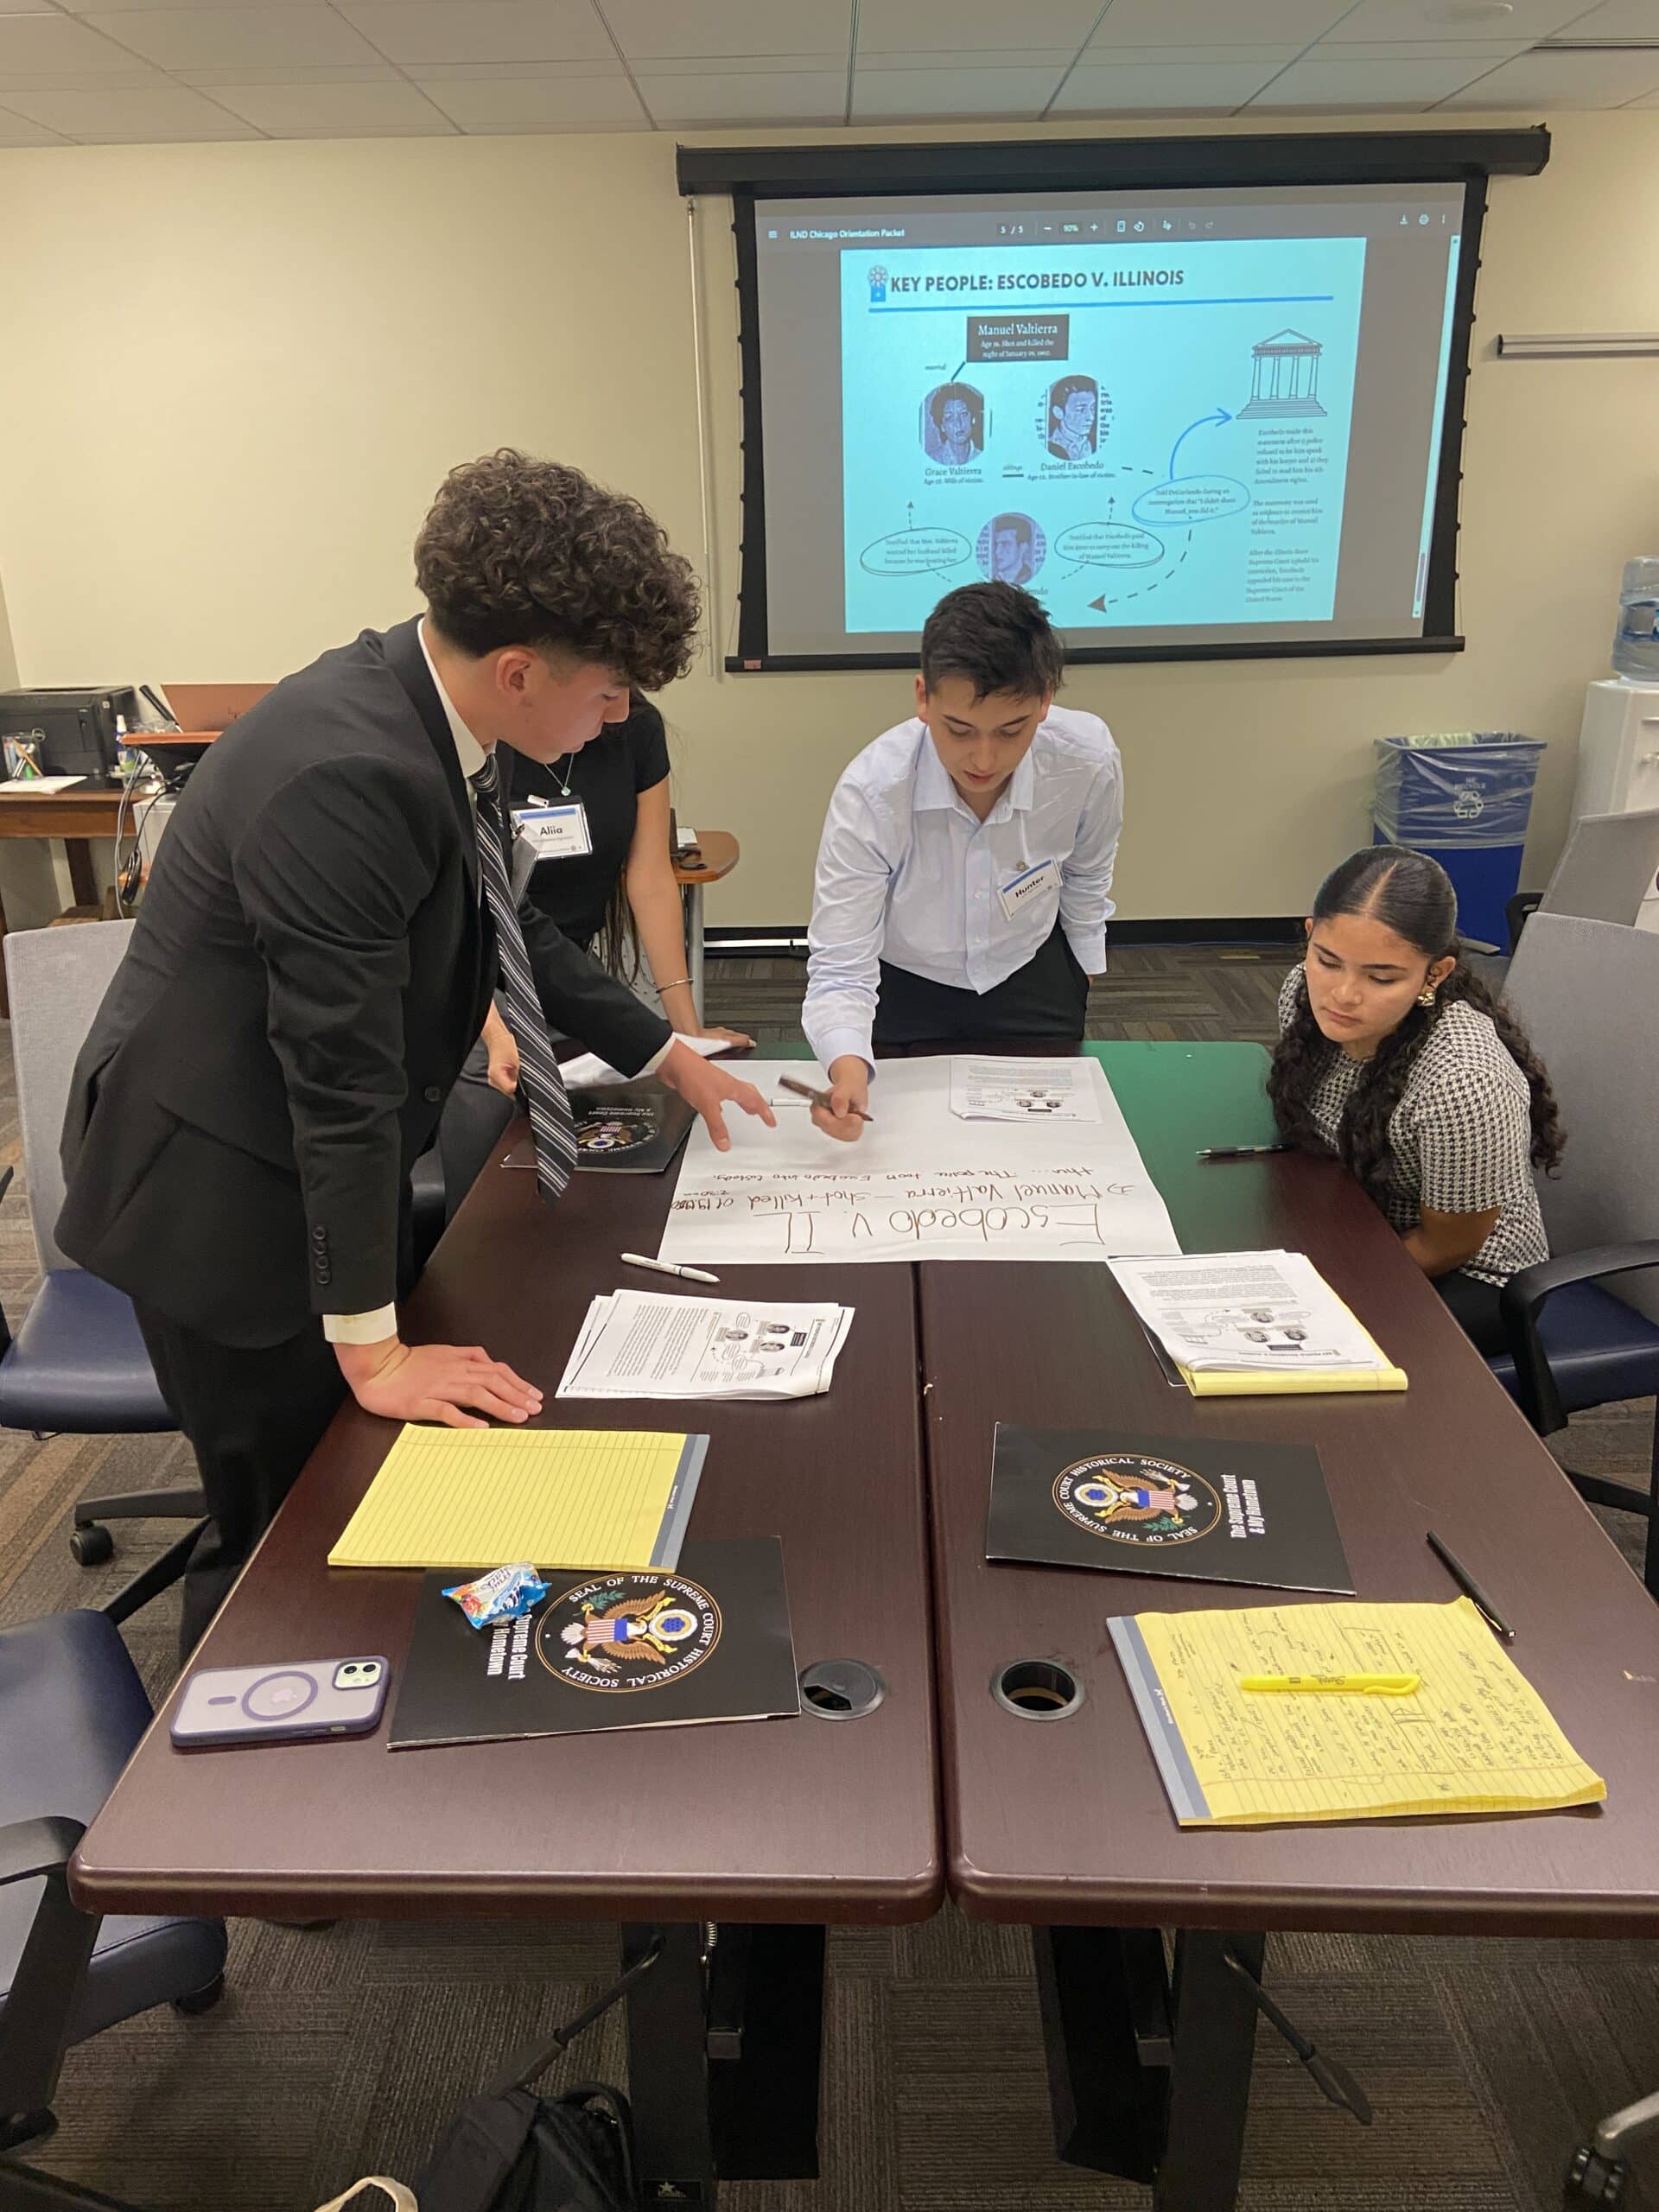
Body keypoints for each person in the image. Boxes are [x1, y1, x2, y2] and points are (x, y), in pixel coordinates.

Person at [56, 449, 774, 1655]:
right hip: (221, 1197)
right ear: (518, 671)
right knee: (285, 1533)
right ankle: (211, 1759)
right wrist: (374, 1347)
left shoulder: (418, 703)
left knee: (359, 1500)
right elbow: (337, 1079)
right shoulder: (351, 771)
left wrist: (664, 1050)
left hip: (314, 1174)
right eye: (608, 693)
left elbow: (507, 920)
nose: (615, 720)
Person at [802, 581, 1122, 1141]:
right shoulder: (873, 791)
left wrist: (1085, 966)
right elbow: (842, 963)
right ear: (923, 697)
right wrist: (846, 1069)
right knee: (906, 1148)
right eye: (959, 730)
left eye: (1012, 730)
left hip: (1031, 971)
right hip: (904, 984)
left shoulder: (1087, 759)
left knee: (1046, 1148)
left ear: (1045, 700)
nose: (984, 758)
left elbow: (1087, 868)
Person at [450, 690, 751, 1193]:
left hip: (566, 976)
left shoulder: (635, 729)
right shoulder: (487, 737)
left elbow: (651, 879)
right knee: (494, 1128)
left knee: (630, 1108)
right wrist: (492, 1025)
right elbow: (459, 914)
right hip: (478, 985)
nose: (619, 710)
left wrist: (687, 1031)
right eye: (607, 691)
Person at [1267, 845, 1562, 1356]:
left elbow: (1449, 1244)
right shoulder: (1302, 994)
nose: (1343, 994)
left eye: (1380, 977)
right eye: (1328, 961)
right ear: (1310, 935)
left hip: (1471, 1277)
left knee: (1290, 1342)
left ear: (1435, 974)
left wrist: (1327, 1282)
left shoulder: (1462, 1081)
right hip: (1363, 1219)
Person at [924, 383, 980, 467]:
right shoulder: (931, 460)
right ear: (942, 426)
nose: (958, 423)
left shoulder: (984, 456)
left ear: (973, 418)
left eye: (963, 414)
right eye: (950, 418)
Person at [1047, 375, 1097, 462]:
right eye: (1080, 410)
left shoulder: (1095, 443)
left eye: (1093, 409)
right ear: (1058, 412)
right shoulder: (1049, 446)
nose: (1091, 417)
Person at [988, 514, 1036, 587]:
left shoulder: (1027, 575)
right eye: (996, 544)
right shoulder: (996, 578)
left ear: (1023, 547)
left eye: (1005, 544)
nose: (997, 552)